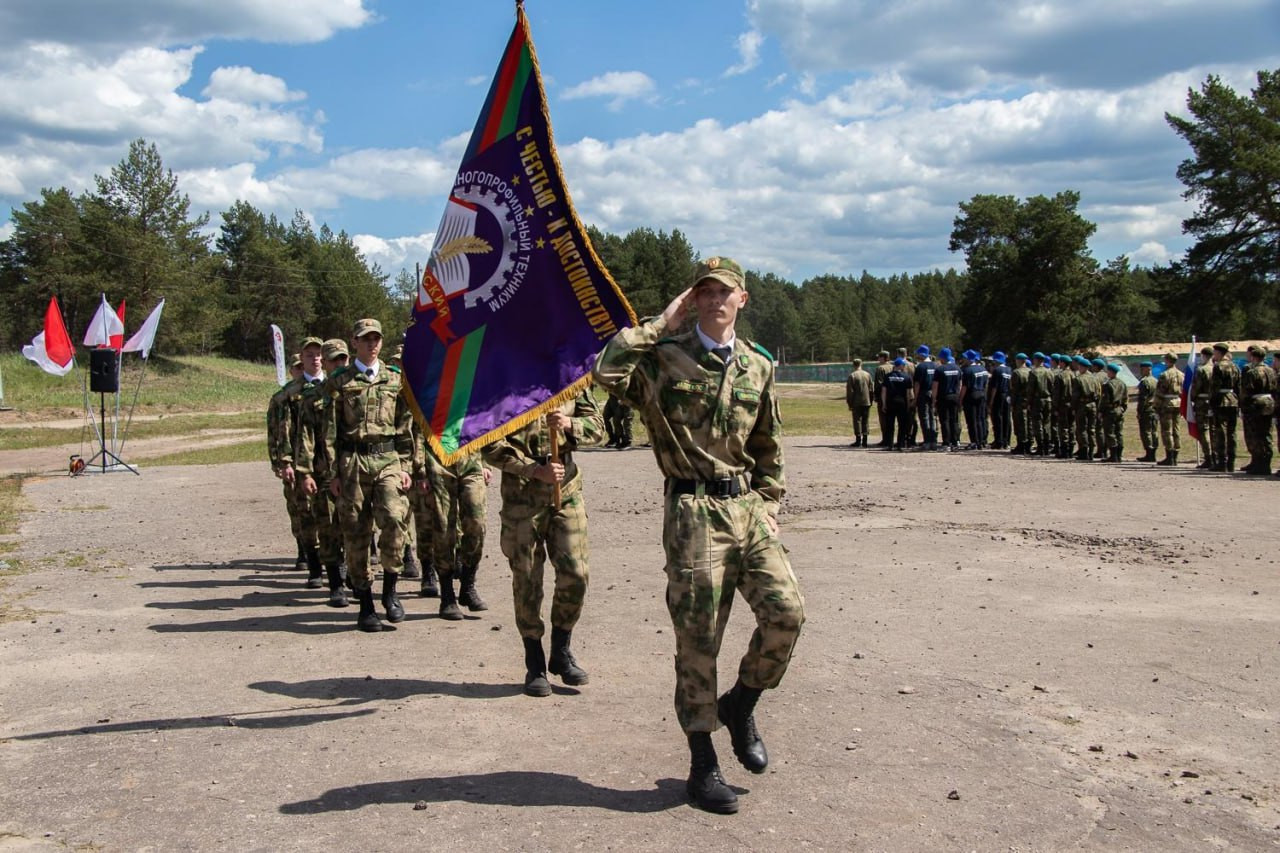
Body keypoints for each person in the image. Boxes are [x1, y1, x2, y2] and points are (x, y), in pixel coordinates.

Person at [594, 255, 805, 816]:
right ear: (693, 299)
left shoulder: (759, 366)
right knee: (698, 639)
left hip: (748, 510)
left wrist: (770, 501)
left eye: (724, 291)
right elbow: (605, 373)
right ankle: (702, 761)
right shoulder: (663, 358)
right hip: (692, 513)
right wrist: (660, 325)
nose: (714, 299)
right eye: (704, 291)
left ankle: (741, 703)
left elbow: (769, 443)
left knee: (787, 613)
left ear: (742, 299)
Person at [483, 391, 603, 695]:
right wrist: (534, 469)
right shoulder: (502, 382)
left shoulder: (571, 378)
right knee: (527, 580)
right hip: (522, 497)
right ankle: (534, 662)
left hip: (567, 490)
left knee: (576, 573)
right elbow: (488, 444)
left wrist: (568, 424)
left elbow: (599, 428)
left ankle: (561, 651)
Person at [320, 318, 416, 632]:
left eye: (376, 338)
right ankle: (365, 605)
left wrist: (405, 466)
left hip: (387, 459)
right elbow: (330, 430)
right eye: (366, 339)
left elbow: (404, 425)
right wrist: (333, 472)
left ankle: (390, 592)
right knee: (356, 532)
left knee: (393, 519)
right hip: (352, 463)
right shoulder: (339, 381)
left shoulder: (394, 379)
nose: (372, 344)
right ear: (355, 342)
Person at [425, 442, 491, 619]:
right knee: (444, 528)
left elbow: (484, 421)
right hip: (438, 461)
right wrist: (418, 469)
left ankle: (467, 586)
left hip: (471, 459)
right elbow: (417, 427)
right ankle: (447, 596)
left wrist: (485, 462)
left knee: (477, 524)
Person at [268, 353, 309, 579]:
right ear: (292, 370)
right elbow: (275, 431)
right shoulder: (284, 397)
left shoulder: (321, 390)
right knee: (297, 506)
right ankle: (303, 547)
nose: (302, 369)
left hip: (315, 460)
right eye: (298, 366)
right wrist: (278, 461)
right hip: (292, 458)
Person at [1239, 345, 1276, 475]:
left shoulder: (1252, 372)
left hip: (1256, 404)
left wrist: (1243, 407)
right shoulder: (1271, 371)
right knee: (1267, 434)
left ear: (1254, 357)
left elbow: (1246, 392)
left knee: (1256, 434)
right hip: (1269, 403)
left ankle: (1259, 464)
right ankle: (1266, 463)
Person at [1209, 343, 1241, 472]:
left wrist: (1212, 403)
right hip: (1233, 400)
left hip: (1221, 401)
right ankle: (1231, 462)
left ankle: (1222, 462)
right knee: (1232, 433)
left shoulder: (1218, 366)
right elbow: (1239, 386)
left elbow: (1215, 387)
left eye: (1215, 352)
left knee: (1220, 432)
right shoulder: (1235, 366)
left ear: (1219, 353)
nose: (1214, 355)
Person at [1190, 346, 1217, 469]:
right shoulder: (1217, 368)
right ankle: (1217, 456)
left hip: (1202, 402)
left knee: (1204, 430)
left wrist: (1192, 398)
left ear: (1204, 356)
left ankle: (1209, 457)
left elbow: (1196, 387)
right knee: (1214, 430)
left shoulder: (1202, 370)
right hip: (1215, 401)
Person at [1155, 353, 1184, 466]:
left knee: (1167, 431)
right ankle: (1176, 454)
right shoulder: (1182, 374)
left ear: (1167, 361)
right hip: (1178, 402)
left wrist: (1156, 407)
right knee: (1176, 430)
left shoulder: (1164, 375)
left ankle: (1170, 456)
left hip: (1166, 404)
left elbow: (1159, 393)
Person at [1071, 355, 1100, 462]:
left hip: (1082, 405)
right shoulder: (1095, 379)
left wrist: (1073, 407)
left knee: (1081, 428)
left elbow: (1075, 396)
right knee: (1091, 429)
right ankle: (1091, 451)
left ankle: (1083, 450)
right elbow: (1099, 393)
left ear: (1081, 367)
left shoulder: (1078, 379)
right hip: (1093, 405)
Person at [932, 347, 962, 451]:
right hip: (955, 396)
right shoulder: (957, 368)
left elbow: (935, 386)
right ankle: (955, 442)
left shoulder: (939, 369)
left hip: (943, 397)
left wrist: (933, 400)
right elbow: (960, 384)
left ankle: (946, 443)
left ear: (943, 358)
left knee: (944, 420)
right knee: (954, 420)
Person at [958, 349, 989, 449]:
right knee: (980, 418)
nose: (963, 359)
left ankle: (974, 441)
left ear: (969, 359)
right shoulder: (983, 369)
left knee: (972, 420)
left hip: (971, 395)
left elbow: (964, 387)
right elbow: (986, 384)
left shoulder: (967, 371)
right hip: (982, 394)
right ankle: (981, 440)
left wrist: (960, 400)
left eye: (965, 358)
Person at [881, 357, 914, 450]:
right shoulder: (907, 377)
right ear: (900, 365)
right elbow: (909, 393)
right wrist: (908, 404)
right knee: (902, 425)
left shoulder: (887, 377)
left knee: (890, 425)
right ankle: (900, 444)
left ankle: (890, 444)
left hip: (890, 402)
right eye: (903, 365)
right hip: (902, 403)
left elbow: (884, 391)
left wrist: (884, 404)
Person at [1027, 352, 1054, 456]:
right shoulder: (1050, 372)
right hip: (1048, 400)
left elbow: (1030, 390)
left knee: (1037, 423)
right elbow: (1052, 387)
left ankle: (1041, 447)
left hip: (1037, 401)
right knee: (1047, 423)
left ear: (1036, 360)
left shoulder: (1033, 373)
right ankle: (1047, 446)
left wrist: (1029, 402)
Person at [1100, 363, 1128, 463]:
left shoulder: (1108, 384)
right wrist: (1123, 408)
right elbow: (1125, 399)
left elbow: (1105, 400)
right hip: (1119, 410)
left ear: (1111, 372)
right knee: (1119, 432)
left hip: (1110, 410)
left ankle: (1113, 455)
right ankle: (1119, 455)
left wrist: (1101, 411)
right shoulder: (1122, 383)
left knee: (1110, 432)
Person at [912, 345, 938, 451]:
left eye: (918, 353)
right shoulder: (935, 366)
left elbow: (917, 384)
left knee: (924, 417)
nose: (917, 355)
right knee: (933, 417)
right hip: (933, 393)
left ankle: (927, 441)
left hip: (923, 393)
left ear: (922, 354)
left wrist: (915, 398)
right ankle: (933, 441)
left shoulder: (921, 367)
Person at [1134, 361, 1159, 462]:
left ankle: (1149, 453)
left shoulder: (1145, 382)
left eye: (1142, 369)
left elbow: (1142, 399)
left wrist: (1139, 412)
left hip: (1146, 410)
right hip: (1154, 409)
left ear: (1146, 369)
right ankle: (1153, 452)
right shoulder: (1156, 381)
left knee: (1146, 431)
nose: (1141, 371)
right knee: (1154, 431)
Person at [845, 359, 873, 447]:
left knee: (857, 421)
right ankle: (865, 440)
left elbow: (850, 391)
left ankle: (858, 440)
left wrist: (850, 403)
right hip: (866, 401)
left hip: (856, 402)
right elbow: (871, 389)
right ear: (861, 364)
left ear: (853, 365)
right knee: (865, 420)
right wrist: (870, 400)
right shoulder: (868, 375)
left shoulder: (852, 376)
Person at [987, 352, 1012, 450]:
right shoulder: (1009, 370)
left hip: (998, 395)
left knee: (997, 418)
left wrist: (991, 401)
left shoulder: (997, 371)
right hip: (1007, 396)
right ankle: (1006, 440)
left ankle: (999, 441)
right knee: (1006, 418)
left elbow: (994, 387)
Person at [1009, 352, 1031, 454]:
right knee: (1028, 422)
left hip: (1019, 401)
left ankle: (1021, 444)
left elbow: (1014, 390)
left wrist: (1012, 403)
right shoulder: (1031, 371)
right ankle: (1028, 444)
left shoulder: (1017, 373)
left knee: (1019, 423)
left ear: (1018, 360)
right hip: (1029, 401)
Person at [872, 351, 892, 447]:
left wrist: (876, 396)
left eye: (879, 357)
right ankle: (891, 438)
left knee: (883, 419)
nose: (878, 359)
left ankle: (886, 439)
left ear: (883, 358)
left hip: (883, 397)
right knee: (891, 418)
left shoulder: (880, 368)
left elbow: (879, 384)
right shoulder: (892, 367)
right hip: (893, 396)